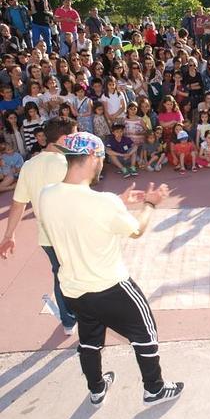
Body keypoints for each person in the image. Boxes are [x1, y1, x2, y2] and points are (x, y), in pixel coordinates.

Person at [37, 131, 184, 408]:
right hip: (111, 286)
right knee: (146, 333)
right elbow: (136, 230)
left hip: (74, 288)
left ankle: (96, 389)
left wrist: (118, 201)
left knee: (90, 340)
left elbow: (78, 209)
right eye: (102, 158)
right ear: (94, 157)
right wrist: (150, 203)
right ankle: (154, 389)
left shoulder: (46, 195)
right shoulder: (104, 203)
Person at [0, 117, 77, 334]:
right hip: (73, 235)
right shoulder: (69, 164)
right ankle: (88, 318)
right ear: (64, 138)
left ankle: (68, 321)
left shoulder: (29, 165)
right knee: (82, 275)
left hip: (47, 238)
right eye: (74, 135)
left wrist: (9, 235)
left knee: (60, 275)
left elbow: (19, 203)